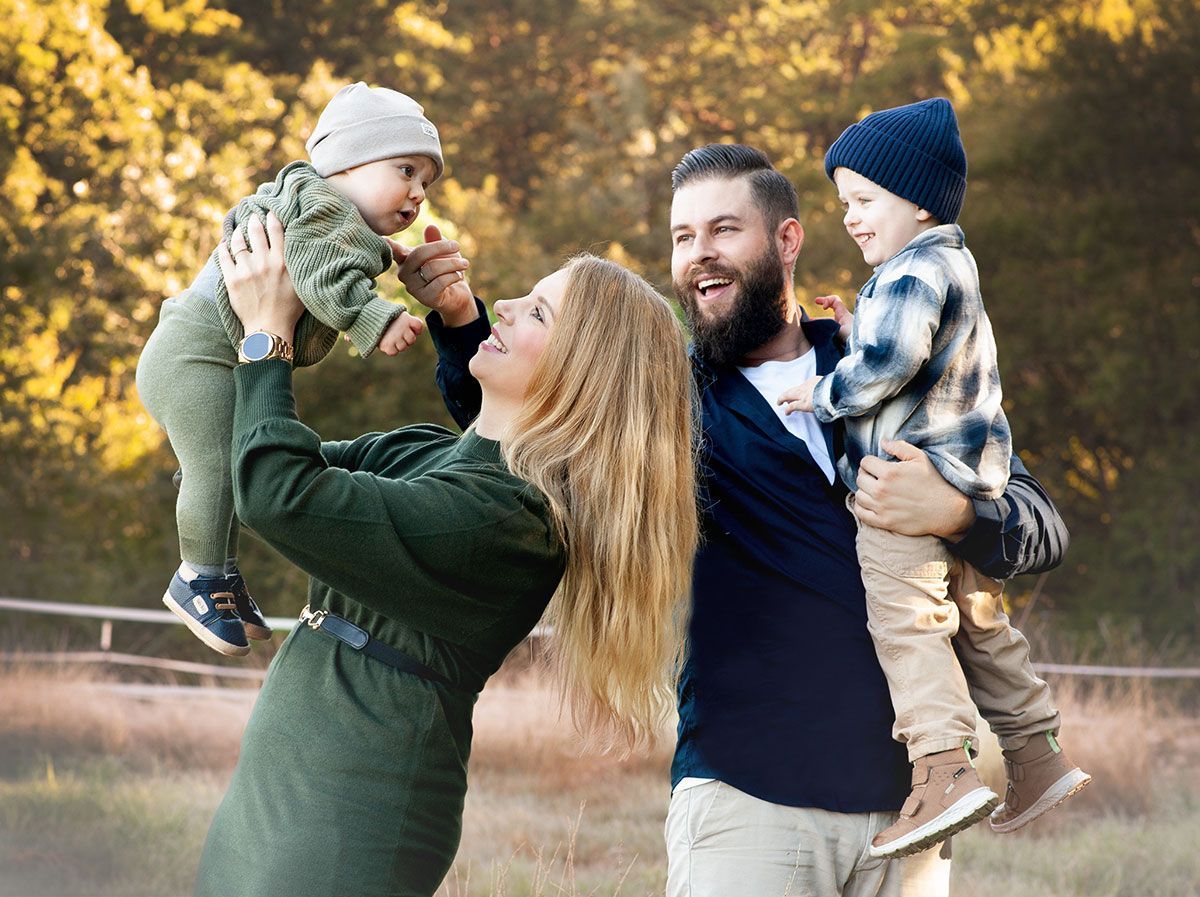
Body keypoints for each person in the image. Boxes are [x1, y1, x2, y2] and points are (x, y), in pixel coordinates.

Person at [426, 144, 1071, 896]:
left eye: (723, 229)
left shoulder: (901, 366)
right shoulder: (670, 404)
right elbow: (518, 412)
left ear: (786, 240)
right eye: (682, 236)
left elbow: (1040, 524)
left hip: (914, 813)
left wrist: (958, 512)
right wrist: (459, 322)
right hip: (749, 800)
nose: (700, 254)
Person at [191, 212, 699, 897]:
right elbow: (247, 456)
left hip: (353, 807)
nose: (509, 305)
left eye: (539, 312)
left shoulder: (510, 524)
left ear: (580, 376)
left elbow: (276, 493)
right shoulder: (426, 453)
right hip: (281, 784)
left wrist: (269, 332)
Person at [775, 98, 1089, 856]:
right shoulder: (947, 263)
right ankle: (1037, 753)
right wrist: (858, 322)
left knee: (907, 626)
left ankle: (943, 768)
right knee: (982, 629)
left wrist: (820, 392)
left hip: (903, 493)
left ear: (917, 199)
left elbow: (888, 365)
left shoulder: (911, 270)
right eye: (843, 202)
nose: (849, 217)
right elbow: (921, 353)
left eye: (863, 200)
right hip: (974, 482)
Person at [136, 82, 437, 657]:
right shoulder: (325, 213)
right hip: (194, 360)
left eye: (425, 181)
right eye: (405, 170)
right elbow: (322, 277)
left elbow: (334, 251)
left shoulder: (324, 211)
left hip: (198, 357)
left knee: (226, 467)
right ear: (346, 164)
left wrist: (390, 255)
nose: (417, 192)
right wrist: (374, 318)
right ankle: (198, 575)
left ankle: (220, 567)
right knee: (220, 471)